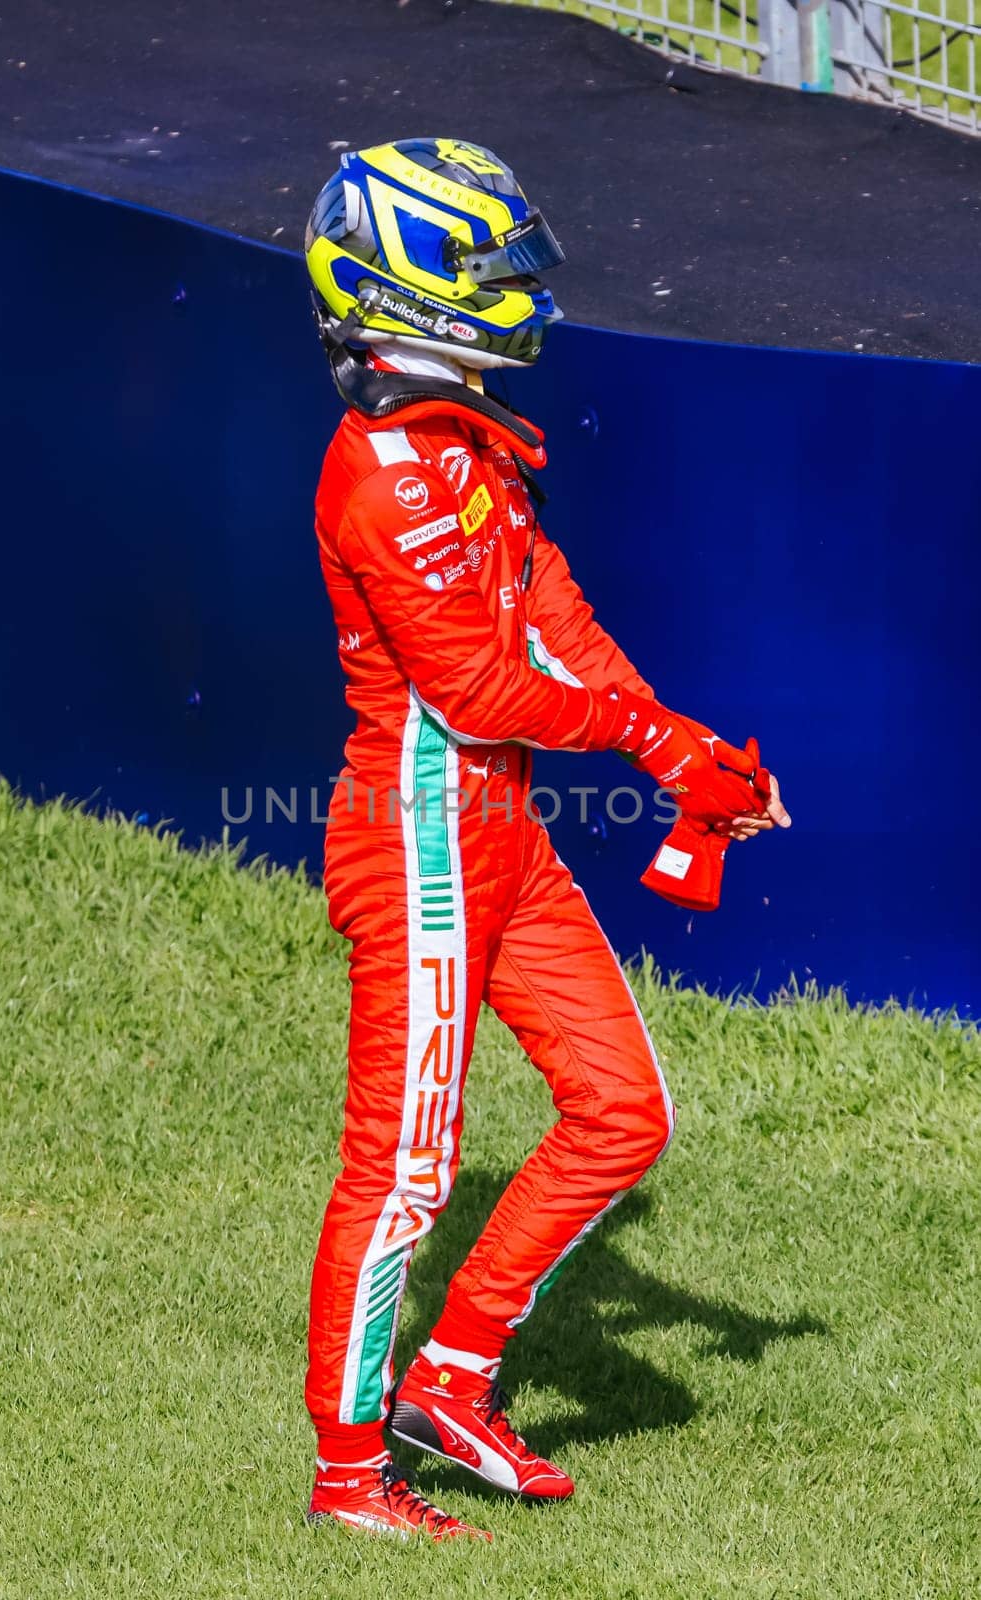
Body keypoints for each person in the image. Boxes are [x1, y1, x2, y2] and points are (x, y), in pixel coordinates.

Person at [302, 138, 790, 1542]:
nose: (518, 291)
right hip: (423, 849)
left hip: (500, 833)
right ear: (406, 291)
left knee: (625, 1114)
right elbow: (471, 686)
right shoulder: (389, 474)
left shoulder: (462, 439)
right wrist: (641, 744)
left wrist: (680, 740)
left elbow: (548, 607)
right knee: (403, 1168)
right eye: (487, 268)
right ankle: (350, 1479)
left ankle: (451, 1378)